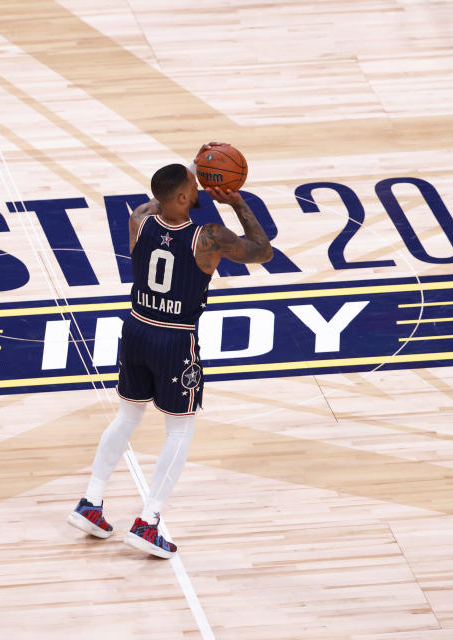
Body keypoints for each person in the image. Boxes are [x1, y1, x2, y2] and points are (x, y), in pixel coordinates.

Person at [68, 142, 274, 558]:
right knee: (180, 428)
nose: (200, 190)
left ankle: (91, 503)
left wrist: (180, 181)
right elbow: (263, 250)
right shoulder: (209, 237)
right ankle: (150, 521)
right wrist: (234, 200)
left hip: (136, 328)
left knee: (127, 416)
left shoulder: (139, 219)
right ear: (182, 198)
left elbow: (160, 200)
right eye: (195, 187)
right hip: (175, 338)